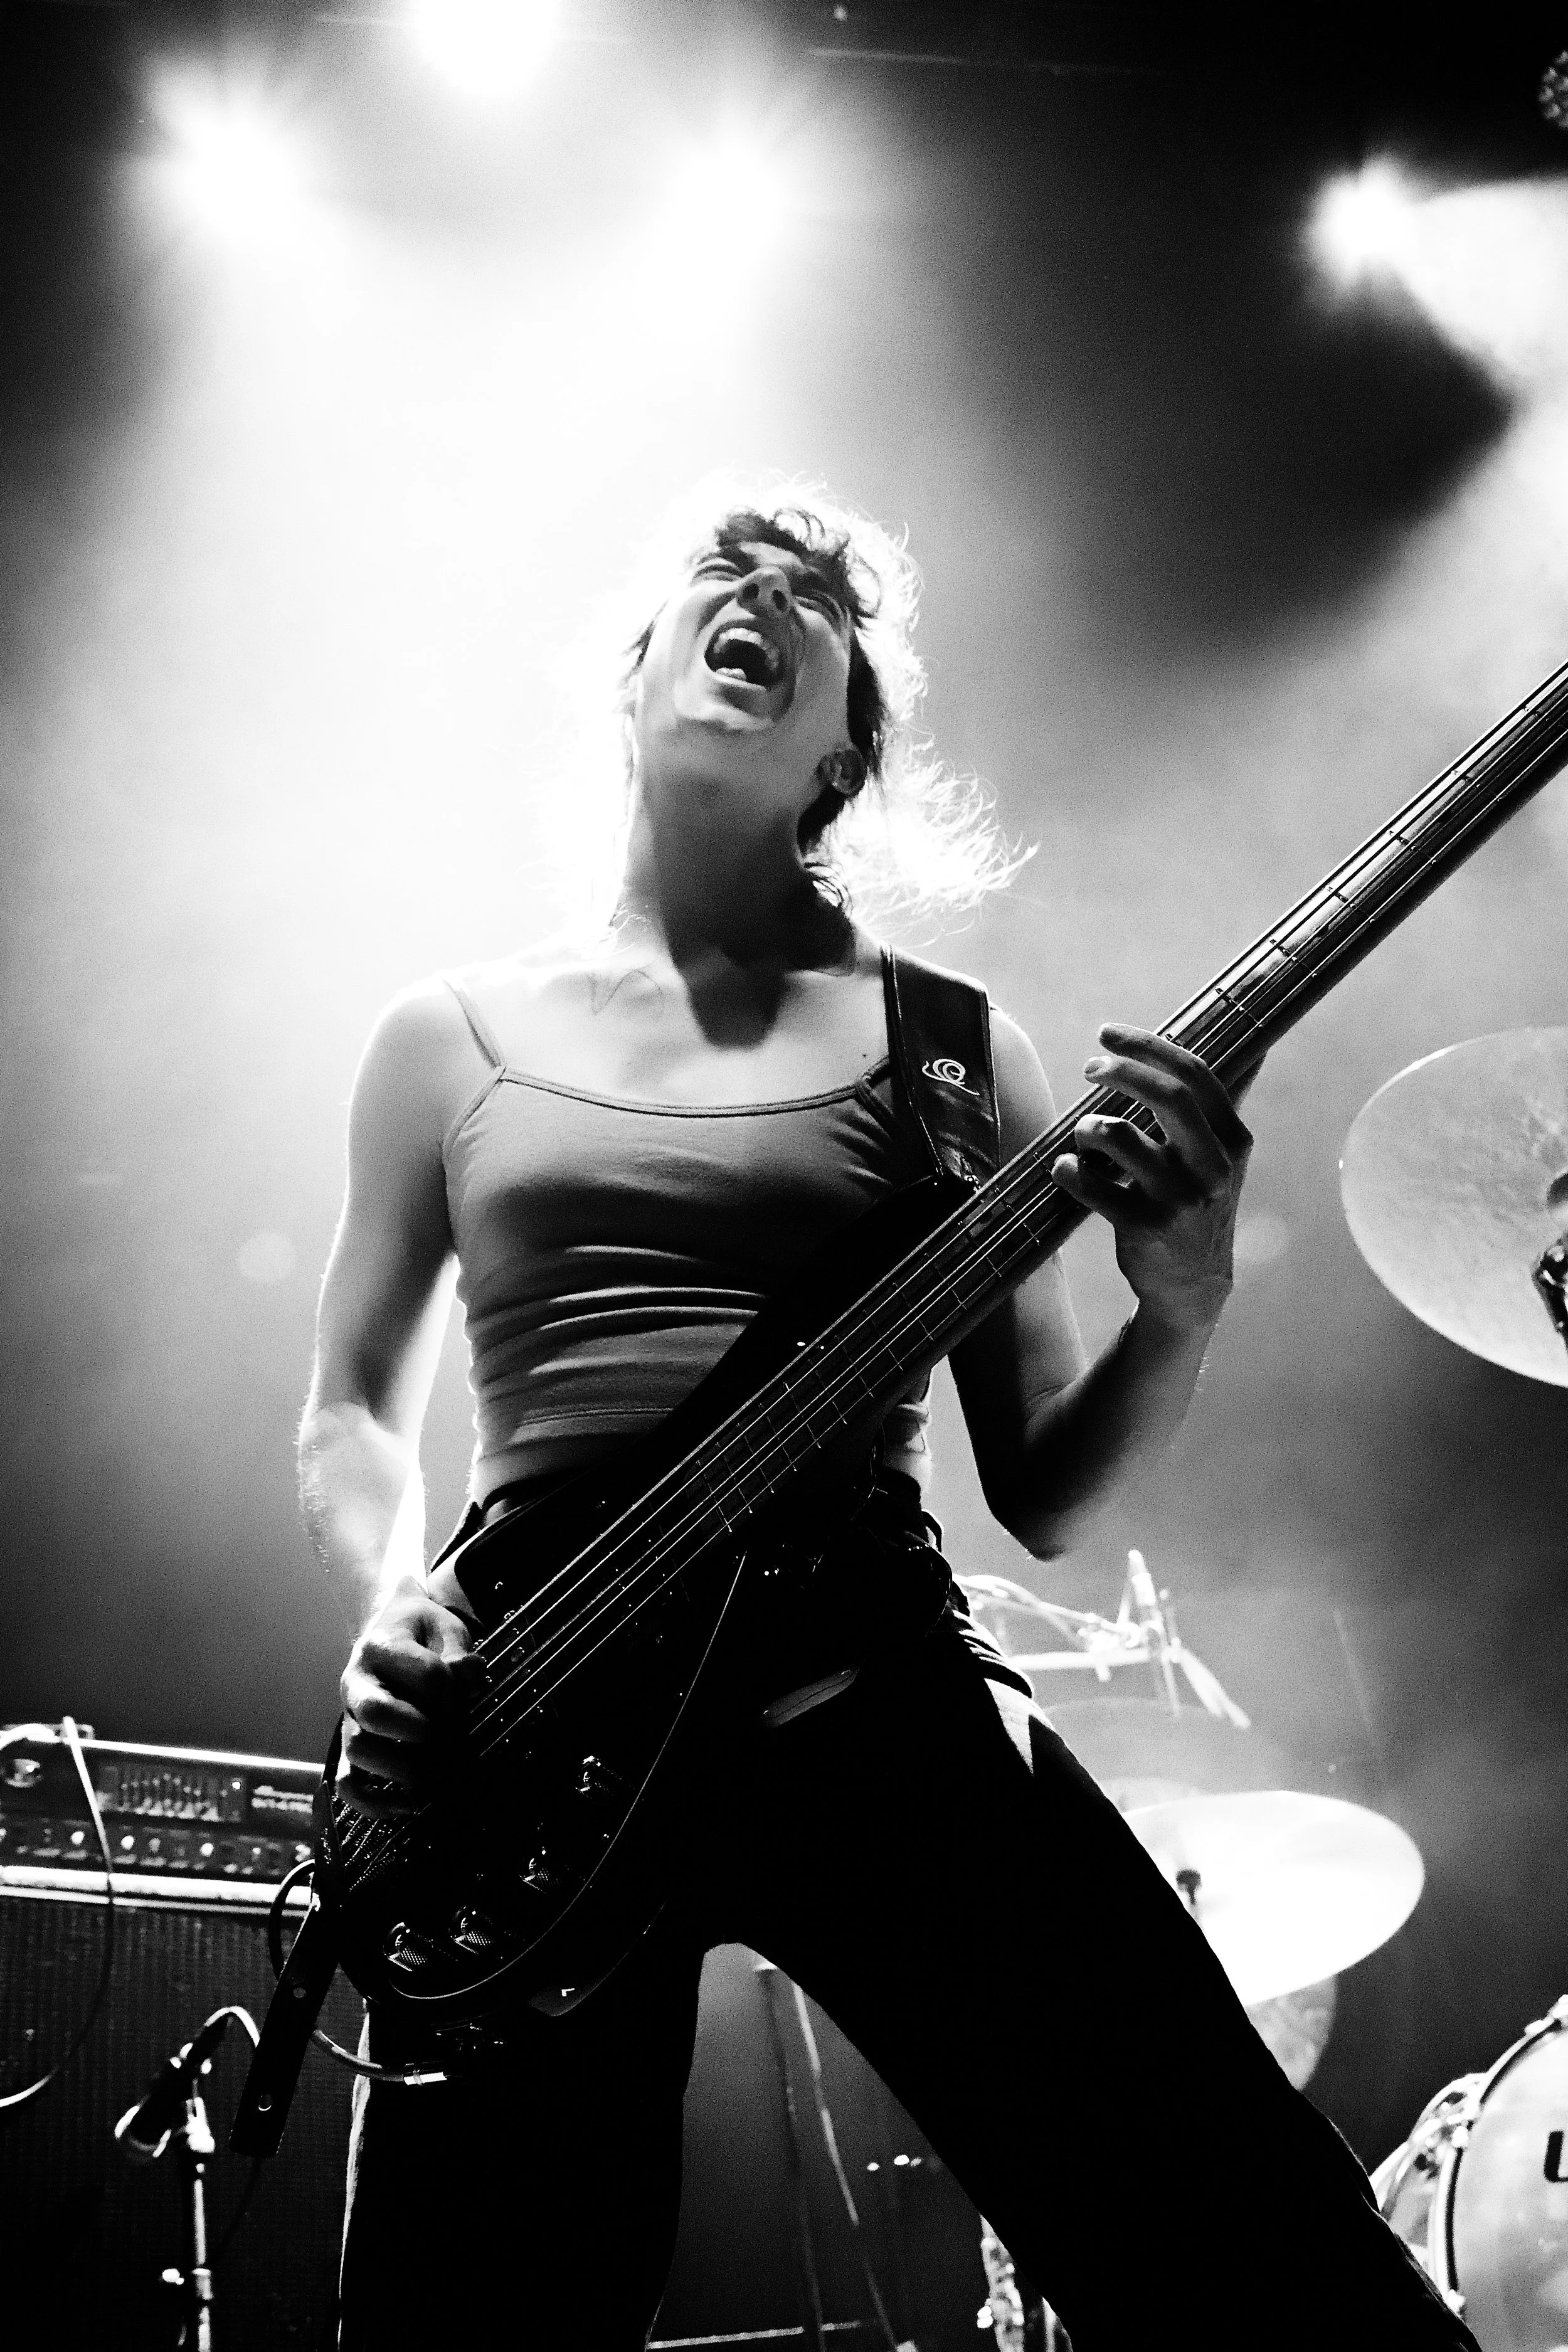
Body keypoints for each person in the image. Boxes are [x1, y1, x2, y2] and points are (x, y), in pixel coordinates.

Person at [304, 489, 1478, 2349]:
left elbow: (1048, 1492)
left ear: (845, 746)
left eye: (818, 604)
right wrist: (390, 1591)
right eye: (727, 575)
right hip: (533, 1711)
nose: (763, 600)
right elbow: (350, 1407)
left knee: (1241, 2240)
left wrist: (1181, 1304)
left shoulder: (949, 1048)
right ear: (633, 677)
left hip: (858, 1666)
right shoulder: (442, 1033)